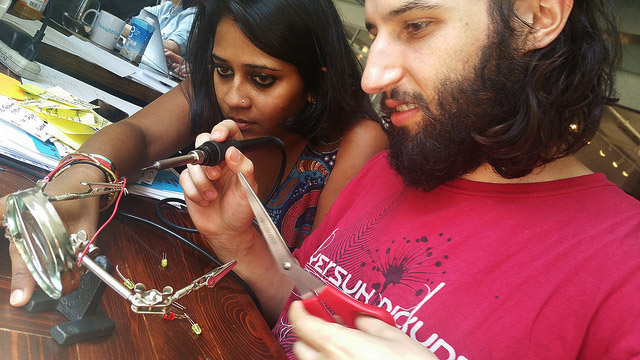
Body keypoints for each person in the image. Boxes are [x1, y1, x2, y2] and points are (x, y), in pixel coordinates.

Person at [178, 0, 640, 359]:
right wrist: (238, 240)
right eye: (376, 32)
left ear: (536, 17)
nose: (372, 78)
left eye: (416, 26)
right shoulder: (387, 170)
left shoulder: (625, 270)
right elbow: (306, 312)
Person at [3, 0, 387, 307]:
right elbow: (139, 133)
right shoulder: (212, 90)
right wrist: (74, 186)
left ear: (314, 83)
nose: (234, 98)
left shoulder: (356, 144)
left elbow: (317, 299)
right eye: (222, 70)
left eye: (263, 79)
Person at [123, 0, 196, 55]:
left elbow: (172, 48)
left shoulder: (193, 15)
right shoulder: (168, 7)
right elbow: (133, 19)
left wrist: (121, 26)